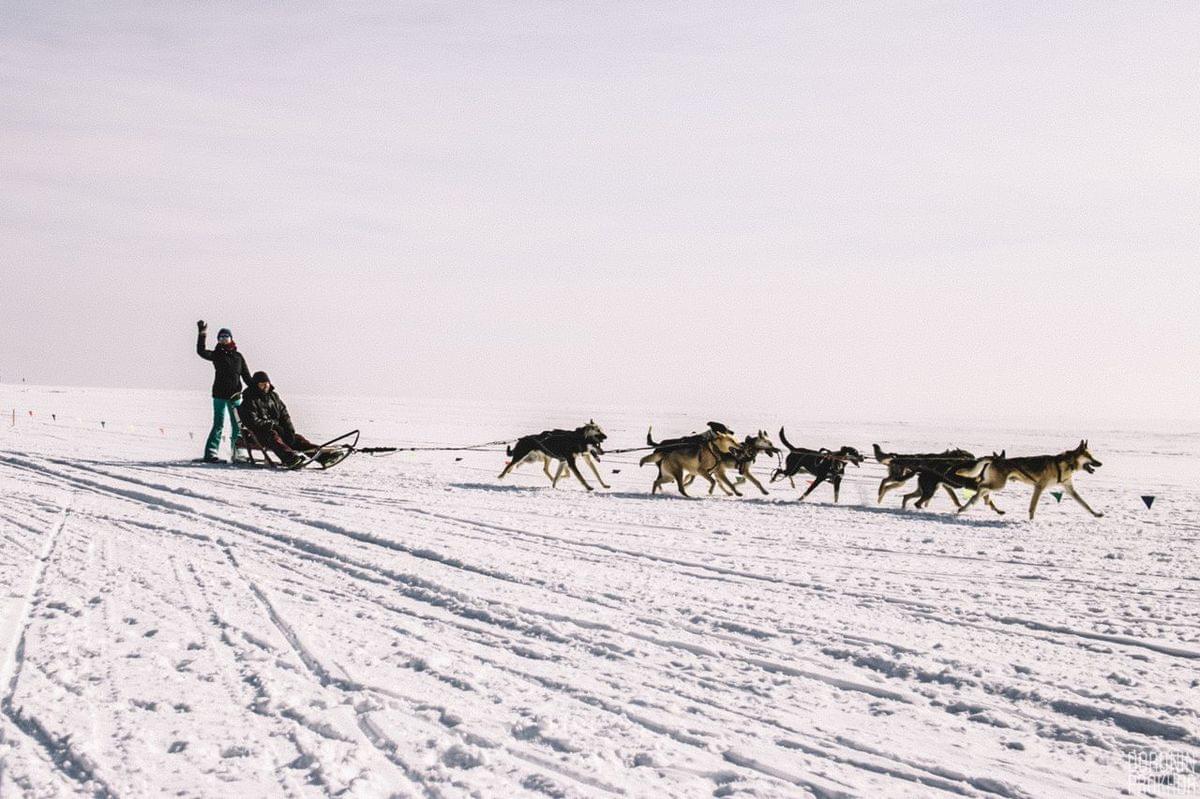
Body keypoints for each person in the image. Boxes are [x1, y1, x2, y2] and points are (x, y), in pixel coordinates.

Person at [238, 371, 330, 467]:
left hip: (277, 430)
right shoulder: (249, 399)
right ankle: (290, 459)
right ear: (256, 385)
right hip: (259, 435)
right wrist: (272, 425)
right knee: (272, 436)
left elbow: (284, 415)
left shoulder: (273, 397)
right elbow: (251, 421)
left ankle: (323, 456)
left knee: (297, 439)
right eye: (262, 385)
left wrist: (289, 430)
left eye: (267, 384)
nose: (265, 387)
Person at [196, 320, 253, 463]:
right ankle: (210, 454)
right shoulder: (217, 355)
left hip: (236, 396)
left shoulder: (238, 357)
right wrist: (202, 334)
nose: (224, 340)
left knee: (238, 426)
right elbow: (201, 351)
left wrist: (255, 389)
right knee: (218, 424)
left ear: (231, 339)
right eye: (221, 338)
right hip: (220, 396)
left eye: (226, 337)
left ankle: (237, 453)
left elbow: (246, 376)